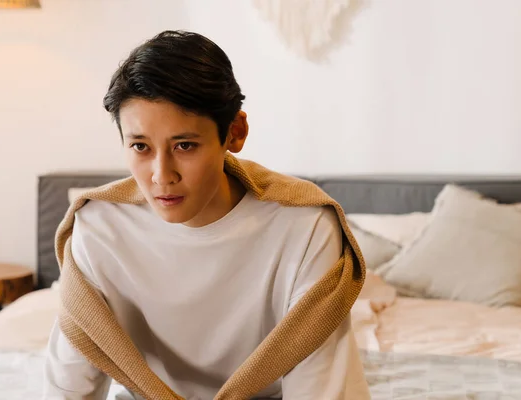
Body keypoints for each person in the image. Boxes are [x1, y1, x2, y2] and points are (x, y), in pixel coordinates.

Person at [43, 30, 370, 399]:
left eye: (185, 145)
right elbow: (68, 387)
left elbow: (318, 391)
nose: (162, 175)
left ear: (235, 133)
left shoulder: (304, 226)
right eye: (140, 146)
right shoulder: (98, 226)